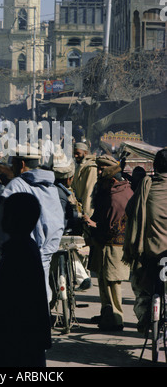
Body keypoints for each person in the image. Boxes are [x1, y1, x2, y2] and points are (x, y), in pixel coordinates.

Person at [0, 193, 51, 367]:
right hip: (28, 337)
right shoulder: (26, 246)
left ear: (13, 218)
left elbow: (12, 299)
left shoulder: (17, 250)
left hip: (15, 338)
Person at [0, 145, 64, 303]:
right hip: (45, 254)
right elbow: (58, 224)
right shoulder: (51, 187)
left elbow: (0, 231)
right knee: (41, 296)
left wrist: (1, 251)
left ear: (21, 164)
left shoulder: (15, 186)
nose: (11, 167)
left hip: (18, 255)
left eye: (13, 163)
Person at [84, 162, 133, 331]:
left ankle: (116, 320)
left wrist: (92, 224)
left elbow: (110, 227)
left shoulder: (115, 197)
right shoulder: (126, 190)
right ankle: (107, 315)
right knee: (107, 282)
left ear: (112, 180)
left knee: (112, 284)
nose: (101, 184)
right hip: (118, 245)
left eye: (103, 181)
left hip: (113, 247)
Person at [123, 148, 167, 334]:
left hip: (148, 250)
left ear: (155, 166)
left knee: (139, 283)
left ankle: (144, 318)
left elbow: (129, 210)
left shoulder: (146, 186)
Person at [53, 159, 91, 290]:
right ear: (70, 179)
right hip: (62, 231)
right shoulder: (63, 194)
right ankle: (82, 278)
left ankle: (82, 278)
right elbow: (67, 217)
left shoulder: (54, 189)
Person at [72, 142, 98, 224]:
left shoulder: (91, 168)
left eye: (78, 153)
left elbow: (89, 191)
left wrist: (87, 215)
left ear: (85, 153)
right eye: (74, 153)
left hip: (86, 209)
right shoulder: (79, 165)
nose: (75, 156)